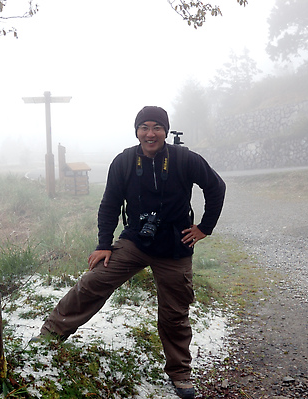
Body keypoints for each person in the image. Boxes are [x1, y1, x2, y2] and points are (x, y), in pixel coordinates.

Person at [35, 106, 226, 399]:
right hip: (135, 241)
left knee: (175, 313)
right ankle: (48, 338)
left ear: (165, 130)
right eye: (144, 127)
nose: (150, 134)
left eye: (157, 128)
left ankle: (180, 374)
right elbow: (110, 203)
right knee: (91, 284)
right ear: (136, 131)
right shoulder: (124, 161)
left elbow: (216, 187)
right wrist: (103, 244)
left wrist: (205, 227)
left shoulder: (185, 159)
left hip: (175, 247)